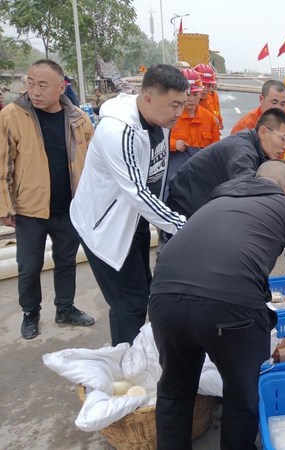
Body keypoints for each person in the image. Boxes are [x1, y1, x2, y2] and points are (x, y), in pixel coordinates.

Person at [149, 160, 285, 450]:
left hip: (164, 301)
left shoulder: (215, 202)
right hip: (230, 307)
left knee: (174, 390)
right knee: (241, 394)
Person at [70, 64, 188, 346]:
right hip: (105, 227)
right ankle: (123, 370)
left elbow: (156, 179)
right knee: (129, 305)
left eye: (182, 105)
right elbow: (137, 191)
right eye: (174, 105)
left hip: (134, 220)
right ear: (148, 97)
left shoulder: (160, 122)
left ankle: (135, 354)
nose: (179, 113)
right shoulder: (118, 131)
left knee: (142, 292)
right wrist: (185, 226)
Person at [0, 59, 95, 340]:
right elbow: (3, 165)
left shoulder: (78, 118)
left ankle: (65, 308)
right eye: (30, 83)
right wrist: (5, 206)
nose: (35, 91)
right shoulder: (12, 116)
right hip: (30, 209)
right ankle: (31, 313)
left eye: (42, 85)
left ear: (61, 87)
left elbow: (91, 165)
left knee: (66, 261)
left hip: (69, 207)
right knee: (28, 265)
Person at [168, 108, 285, 220]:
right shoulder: (241, 150)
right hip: (183, 209)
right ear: (263, 132)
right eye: (283, 138)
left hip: (204, 204)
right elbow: (250, 187)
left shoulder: (257, 148)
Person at [167, 68, 220, 180]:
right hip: (175, 176)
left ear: (201, 93)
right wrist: (173, 144)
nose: (191, 99)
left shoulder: (209, 119)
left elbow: (216, 150)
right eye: (188, 94)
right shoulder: (168, 118)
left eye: (195, 94)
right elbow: (154, 145)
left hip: (201, 174)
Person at [195, 64, 224, 131]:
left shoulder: (213, 96)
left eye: (208, 86)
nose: (205, 89)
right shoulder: (189, 105)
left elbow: (216, 111)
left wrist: (220, 120)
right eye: (202, 84)